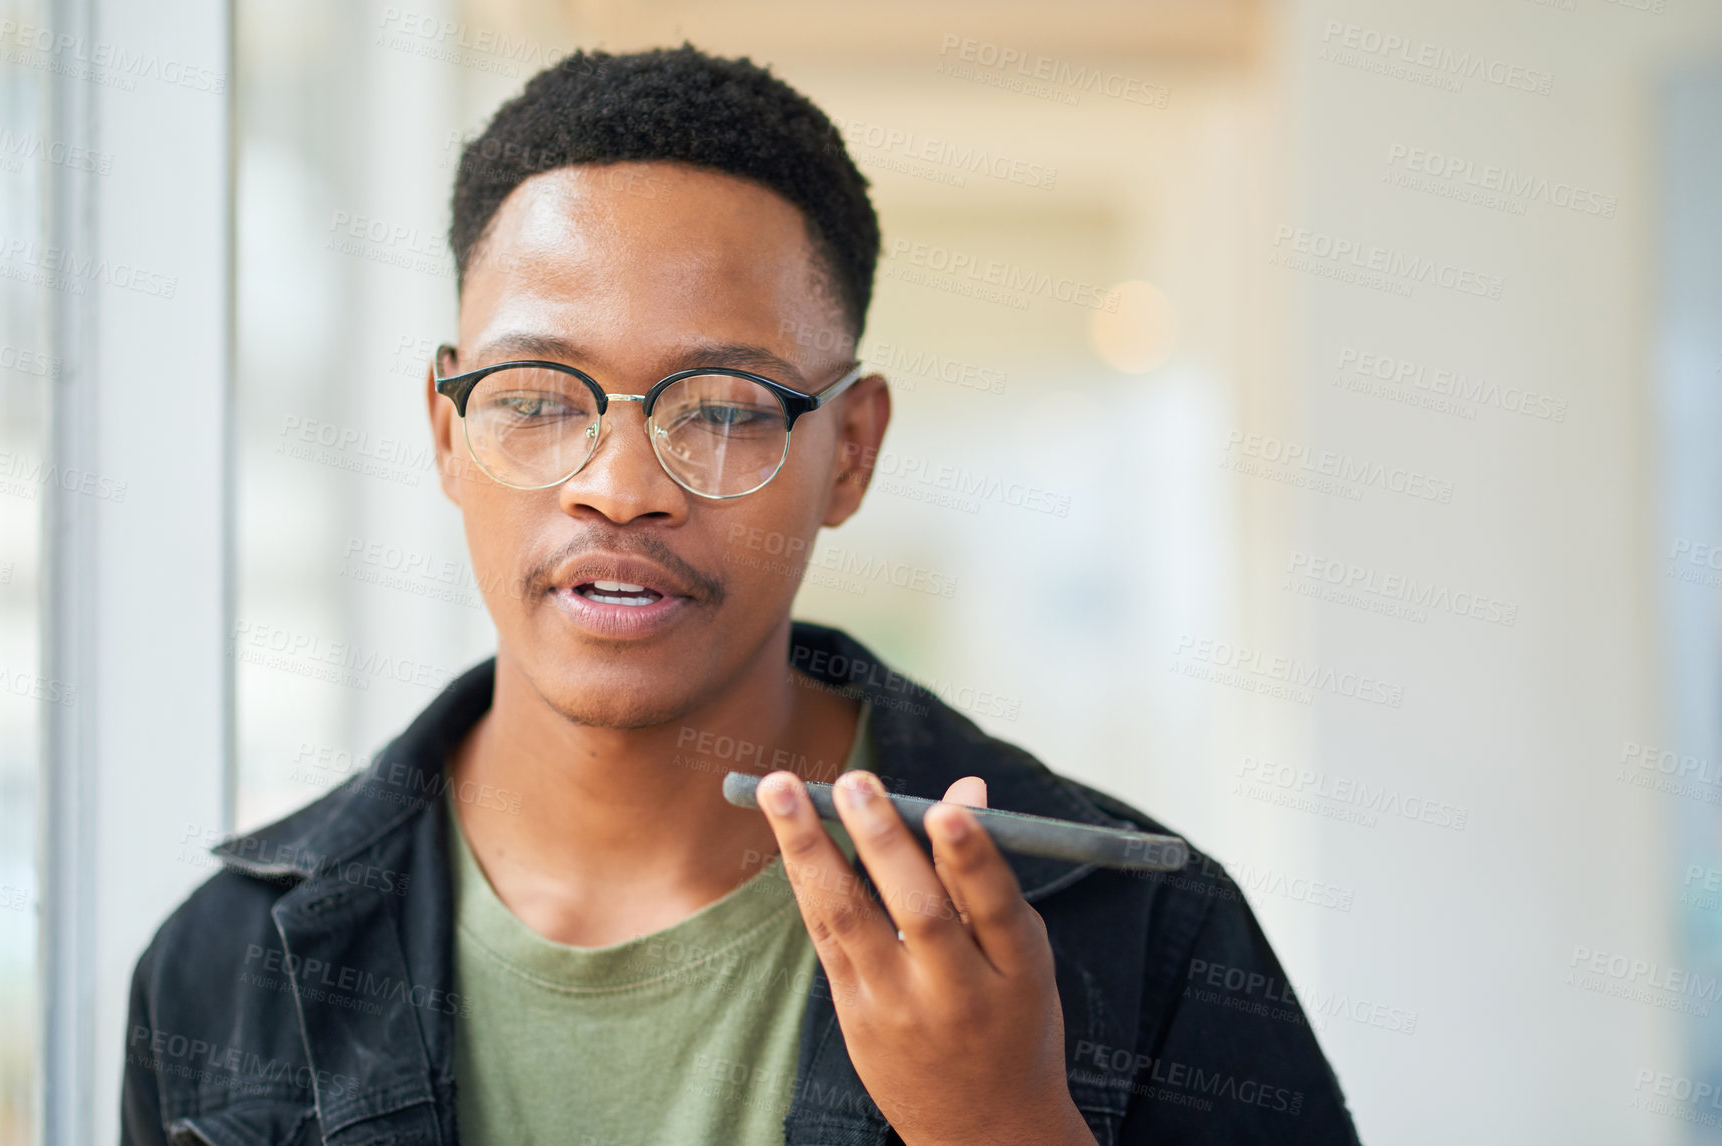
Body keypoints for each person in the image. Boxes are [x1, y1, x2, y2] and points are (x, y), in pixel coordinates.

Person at [123, 44, 1361, 1146]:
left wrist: (1002, 1129)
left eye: (720, 409)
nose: (619, 488)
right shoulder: (223, 971)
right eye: (537, 398)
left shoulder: (1142, 937)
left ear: (853, 452)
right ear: (446, 433)